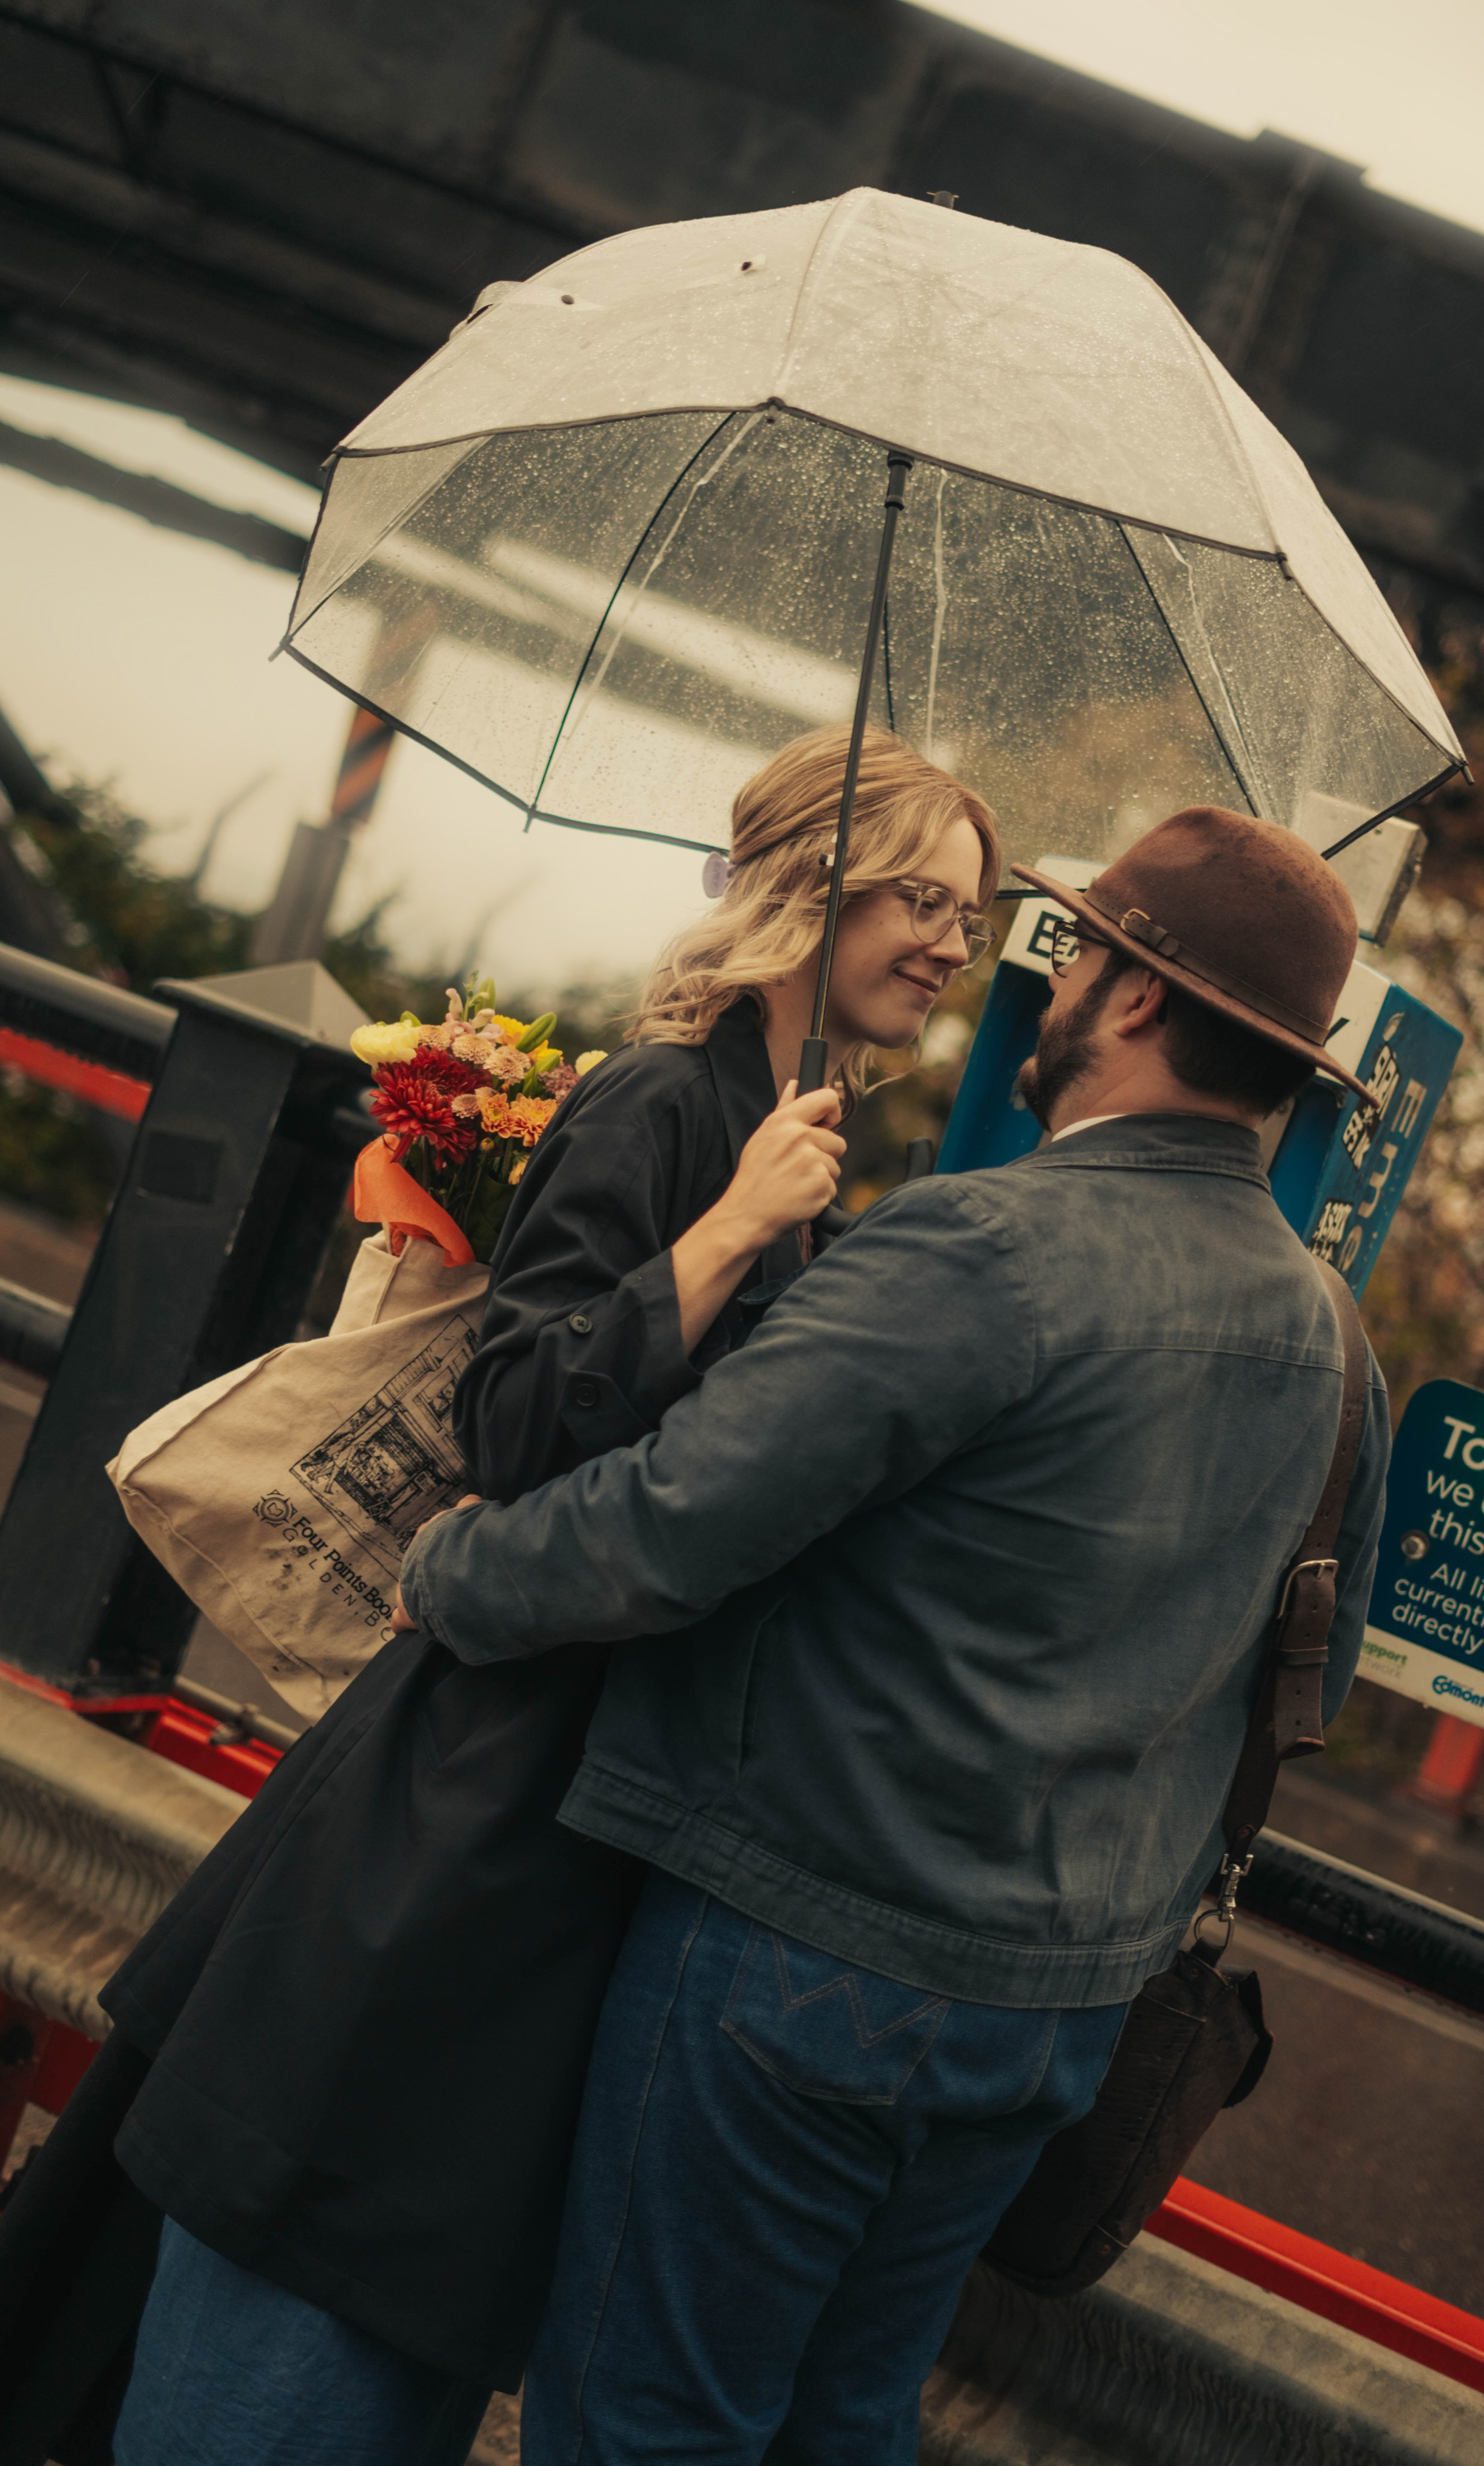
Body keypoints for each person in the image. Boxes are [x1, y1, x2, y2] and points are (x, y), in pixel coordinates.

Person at [0, 726, 999, 2466]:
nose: (948, 944)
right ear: (811, 888)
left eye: (971, 921)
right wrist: (726, 1235)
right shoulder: (668, 1104)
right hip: (462, 1797)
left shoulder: (791, 1138)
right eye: (920, 896)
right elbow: (517, 1411)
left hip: (577, 1795)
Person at [387, 803, 1390, 2464]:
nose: (1046, 983)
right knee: (847, 2421)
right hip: (1054, 2017)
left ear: (1131, 997)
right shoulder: (1333, 1342)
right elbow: (1307, 1683)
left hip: (803, 1962)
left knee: (642, 2423)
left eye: (1073, 952)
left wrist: (446, 1566)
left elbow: (667, 1526)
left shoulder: (984, 1244)